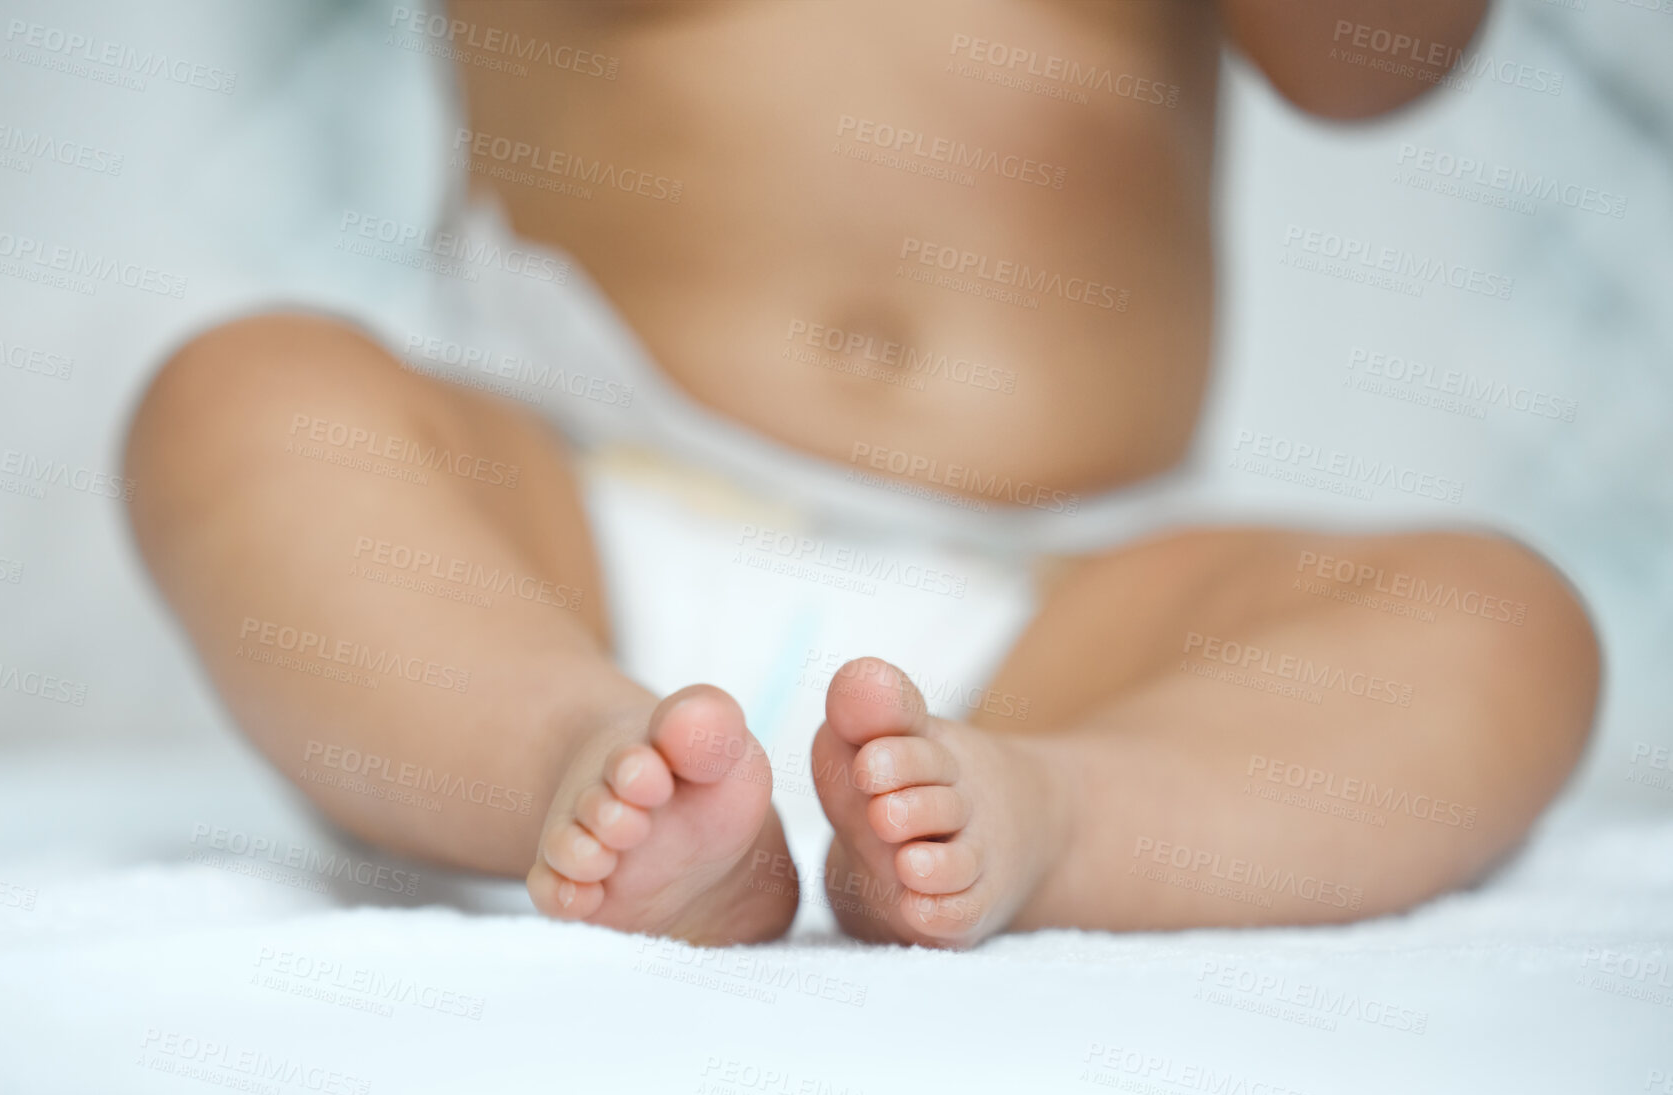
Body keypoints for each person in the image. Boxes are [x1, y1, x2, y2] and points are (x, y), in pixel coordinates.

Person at [123, 0, 1598, 947]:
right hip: (564, 533)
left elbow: (1370, 65)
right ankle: (557, 756)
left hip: (1058, 623)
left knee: (1499, 621)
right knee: (245, 399)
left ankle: (1064, 816)